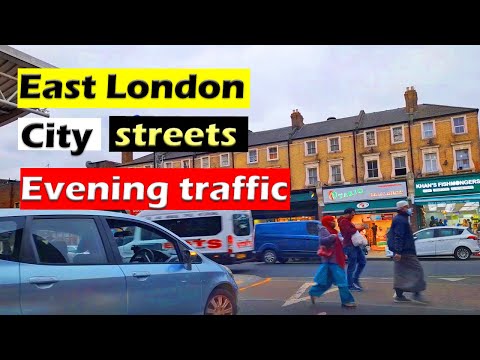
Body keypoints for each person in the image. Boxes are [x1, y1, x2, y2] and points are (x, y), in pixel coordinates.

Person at [309, 216, 356, 308]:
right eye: (332, 221)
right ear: (328, 222)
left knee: (327, 282)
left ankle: (313, 292)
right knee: (342, 281)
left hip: (334, 259)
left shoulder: (334, 231)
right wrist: (332, 237)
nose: (334, 222)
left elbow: (337, 245)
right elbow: (322, 241)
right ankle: (347, 301)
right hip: (333, 260)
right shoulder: (324, 229)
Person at [388, 200, 428, 304]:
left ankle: (399, 296)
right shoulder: (401, 220)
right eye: (407, 207)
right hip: (405, 251)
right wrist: (398, 251)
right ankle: (416, 295)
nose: (409, 209)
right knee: (417, 271)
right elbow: (398, 236)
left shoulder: (401, 218)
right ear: (402, 208)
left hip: (403, 251)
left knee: (401, 273)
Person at [338, 208, 367, 292]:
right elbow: (348, 231)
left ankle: (355, 279)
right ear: (347, 214)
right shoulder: (343, 221)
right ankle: (350, 285)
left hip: (354, 245)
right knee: (352, 266)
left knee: (362, 262)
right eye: (352, 214)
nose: (353, 216)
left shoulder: (346, 221)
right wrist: (358, 228)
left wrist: (359, 229)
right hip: (350, 245)